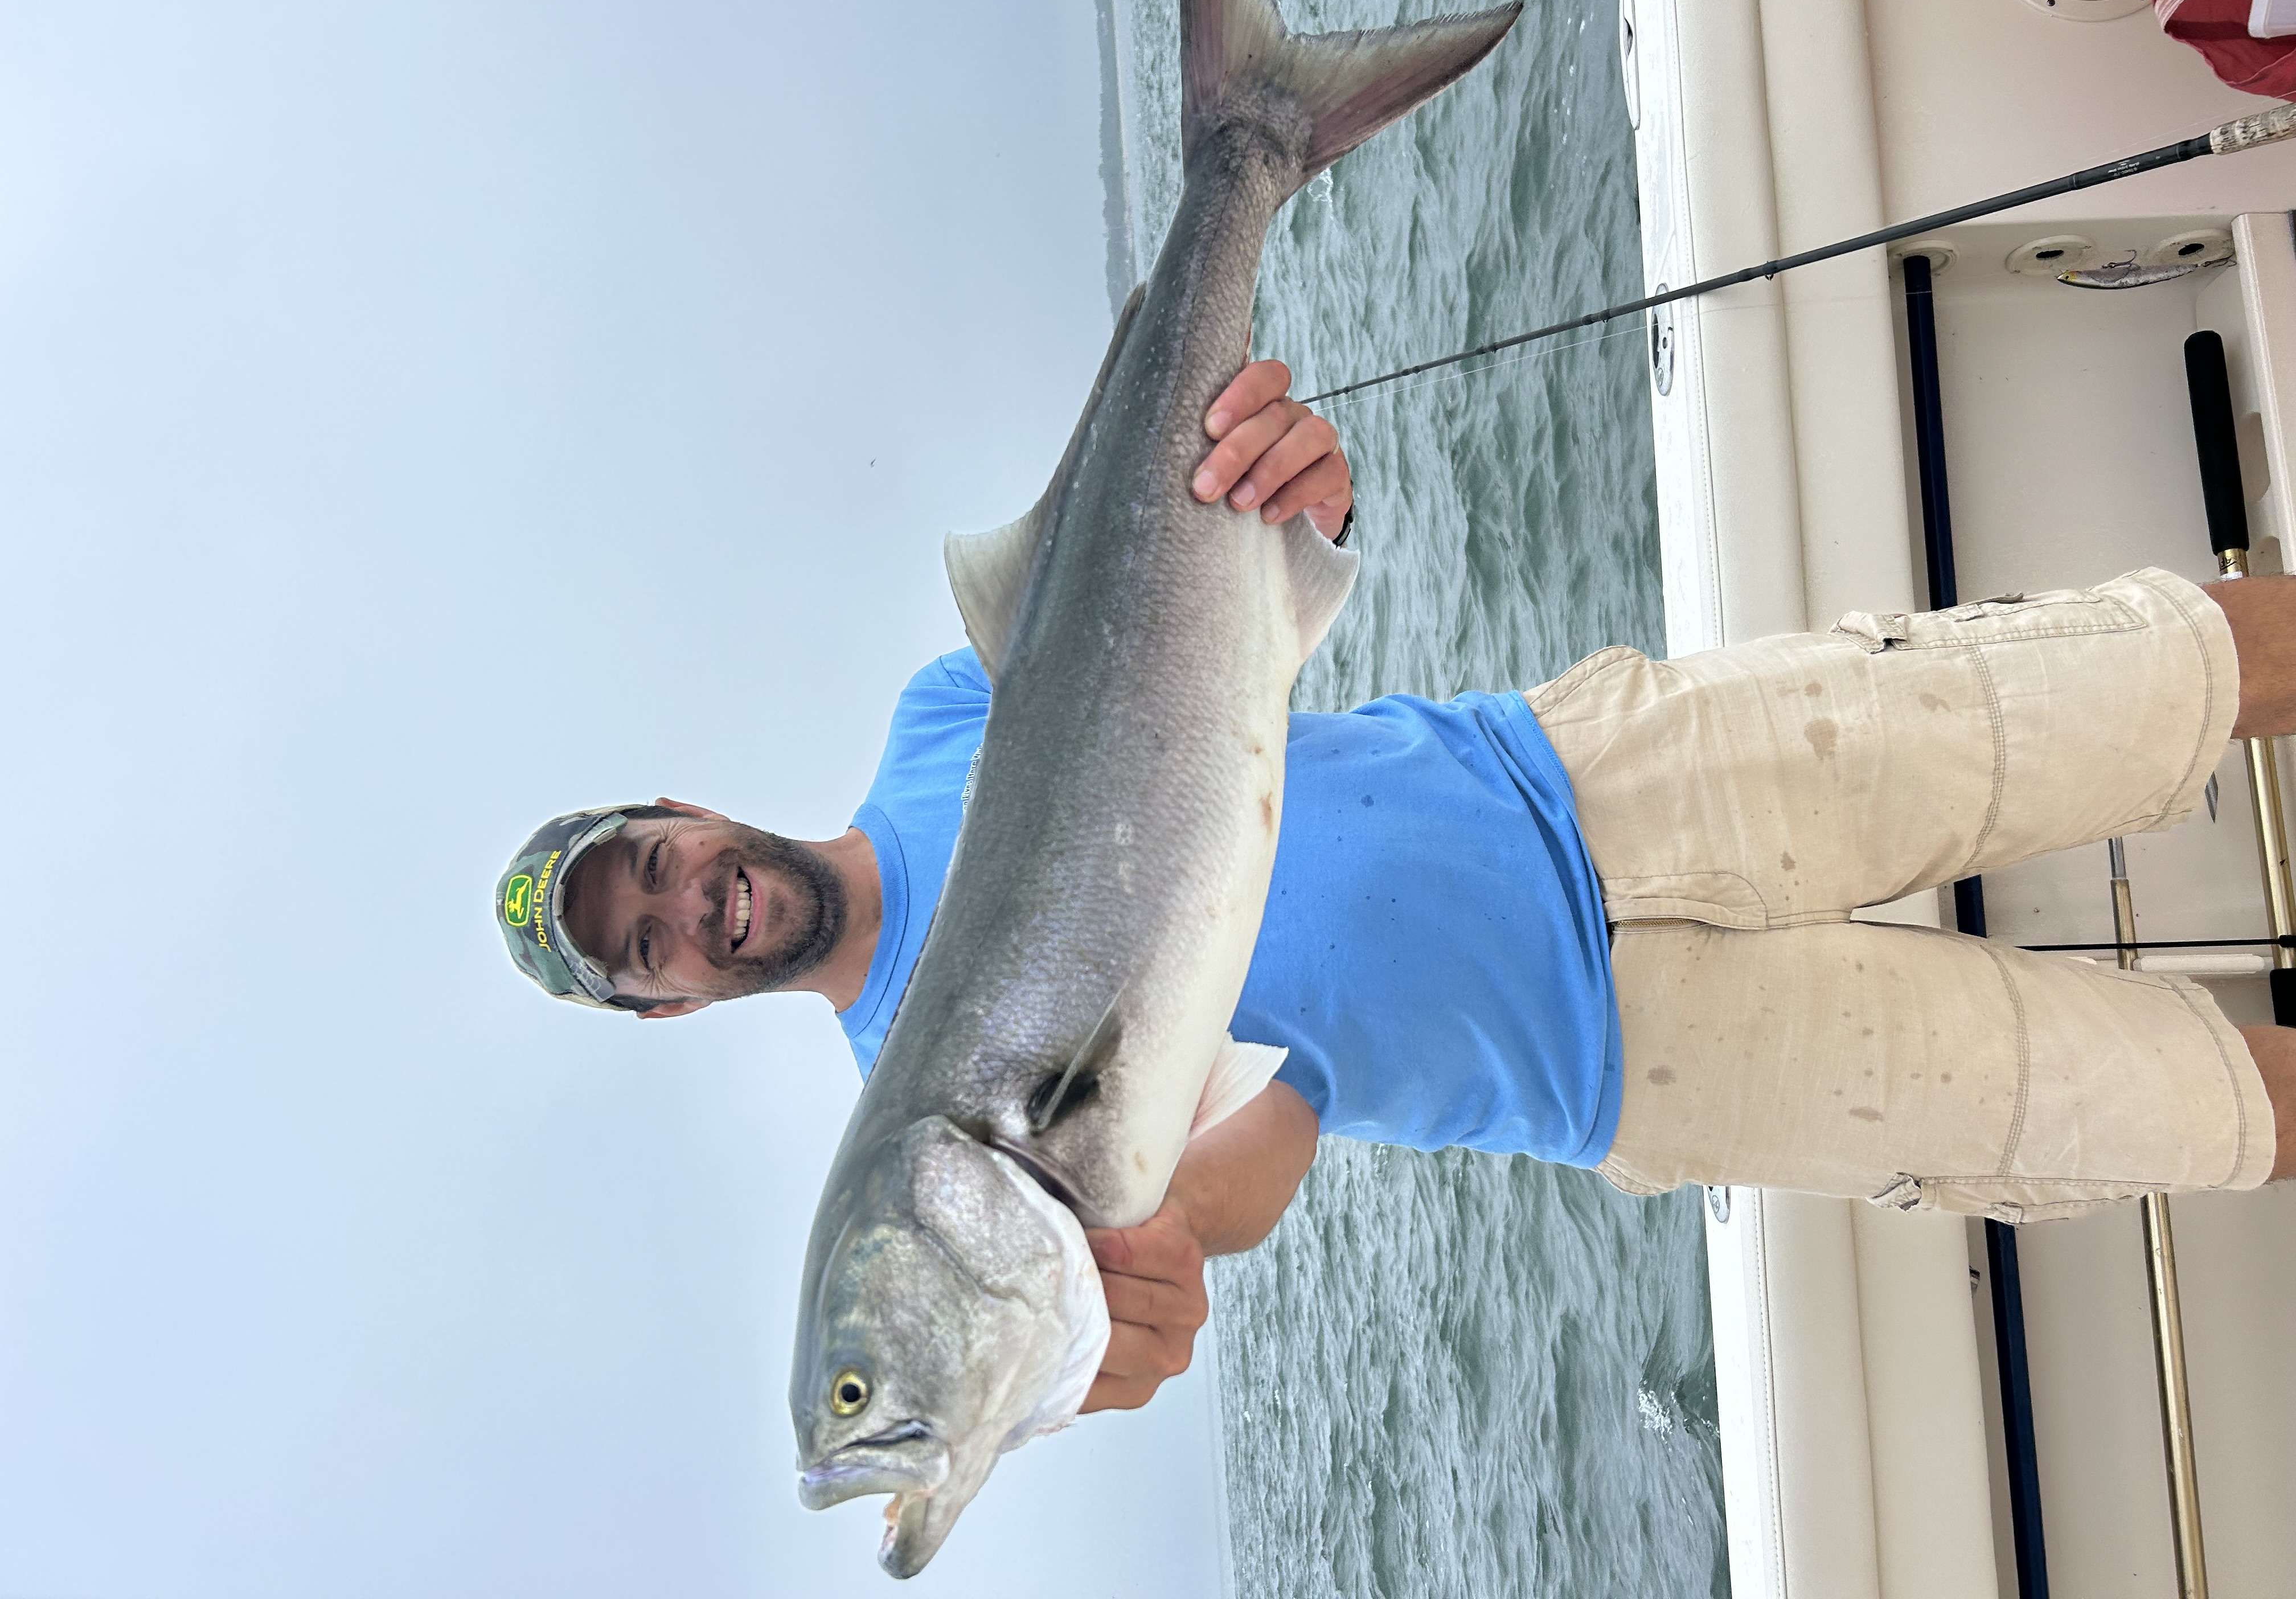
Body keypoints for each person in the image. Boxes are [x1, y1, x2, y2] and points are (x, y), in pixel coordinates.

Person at [494, 361, 2296, 1416]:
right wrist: (1158, 1254)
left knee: (2129, 677)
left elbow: (1218, 590)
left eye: (648, 869)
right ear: (666, 1010)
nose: (682, 909)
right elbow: (1262, 1142)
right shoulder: (934, 1152)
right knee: (2177, 1108)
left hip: (1595, 771)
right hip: (1633, 1067)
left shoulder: (946, 704)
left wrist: (1298, 504)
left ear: (683, 806)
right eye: (644, 949)